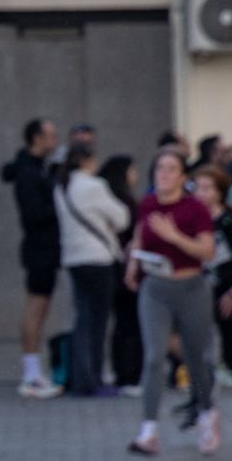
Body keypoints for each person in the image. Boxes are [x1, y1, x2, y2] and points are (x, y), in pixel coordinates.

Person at [126, 147, 218, 456]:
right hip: (156, 288)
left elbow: (207, 252)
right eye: (159, 169)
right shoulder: (148, 204)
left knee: (194, 358)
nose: (163, 174)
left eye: (170, 169)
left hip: (191, 288)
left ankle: (207, 413)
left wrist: (175, 236)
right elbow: (140, 235)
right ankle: (148, 430)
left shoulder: (195, 209)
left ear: (182, 176)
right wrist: (132, 264)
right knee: (153, 356)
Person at [54, 144, 129, 397]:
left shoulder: (61, 186)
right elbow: (121, 218)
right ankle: (93, 378)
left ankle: (80, 377)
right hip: (98, 258)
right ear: (87, 160)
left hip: (73, 259)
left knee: (82, 319)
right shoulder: (94, 186)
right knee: (97, 322)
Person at [1, 118, 64, 398]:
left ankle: (34, 372)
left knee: (40, 308)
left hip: (45, 247)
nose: (55, 140)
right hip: (39, 248)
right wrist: (59, 206)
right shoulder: (29, 172)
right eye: (50, 135)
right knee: (36, 308)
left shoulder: (38, 168)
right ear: (36, 138)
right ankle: (31, 374)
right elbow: (33, 213)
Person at [192, 166, 232, 414]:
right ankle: (200, 406)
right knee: (199, 354)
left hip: (228, 291)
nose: (201, 193)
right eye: (197, 187)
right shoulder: (191, 219)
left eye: (207, 188)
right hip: (197, 292)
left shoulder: (231, 221)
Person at [99, 155, 144, 393]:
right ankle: (129, 375)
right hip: (126, 266)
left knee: (122, 324)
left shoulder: (112, 199)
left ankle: (123, 373)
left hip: (116, 266)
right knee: (129, 323)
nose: (136, 175)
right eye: (132, 170)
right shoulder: (124, 202)